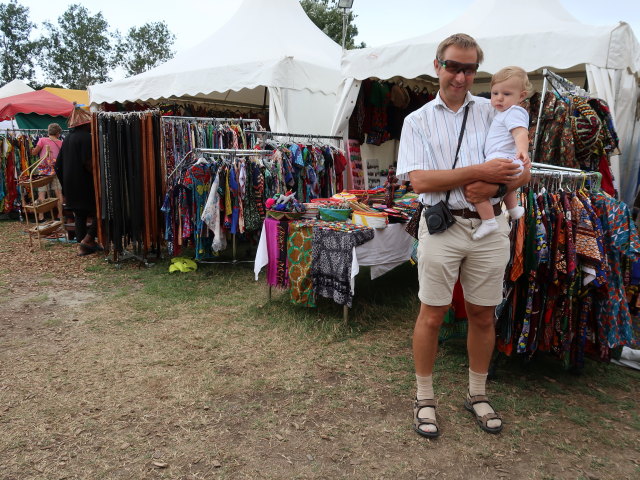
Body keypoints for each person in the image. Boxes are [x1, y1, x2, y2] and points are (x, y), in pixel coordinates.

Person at [396, 33, 531, 438]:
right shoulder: (417, 120)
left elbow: (524, 170)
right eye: (453, 66)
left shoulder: (496, 109)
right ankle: (424, 397)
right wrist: (481, 173)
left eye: (469, 68)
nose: (460, 76)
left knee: (482, 313)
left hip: (490, 229)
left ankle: (477, 392)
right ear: (437, 65)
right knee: (432, 313)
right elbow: (419, 180)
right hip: (444, 224)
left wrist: (494, 187)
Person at [471, 67, 531, 240]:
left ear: (521, 96)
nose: (499, 98)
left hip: (503, 159)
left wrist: (522, 151)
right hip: (504, 159)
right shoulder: (503, 113)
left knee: (475, 186)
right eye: (495, 93)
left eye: (506, 93)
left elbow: (520, 133)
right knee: (506, 186)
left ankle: (489, 221)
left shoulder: (514, 112)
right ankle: (513, 209)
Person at [55, 105, 101, 256]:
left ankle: (83, 246)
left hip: (70, 185)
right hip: (85, 184)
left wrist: (64, 186)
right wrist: (99, 179)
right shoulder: (87, 138)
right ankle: (87, 240)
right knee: (100, 212)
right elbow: (89, 163)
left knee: (79, 216)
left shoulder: (67, 139)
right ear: (86, 124)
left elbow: (58, 166)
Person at [31, 123, 63, 220]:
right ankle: (60, 215)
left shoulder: (42, 140)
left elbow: (34, 152)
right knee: (58, 193)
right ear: (58, 133)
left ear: (49, 131)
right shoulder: (61, 142)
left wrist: (32, 149)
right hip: (56, 169)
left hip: (44, 170)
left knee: (42, 193)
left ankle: (41, 217)